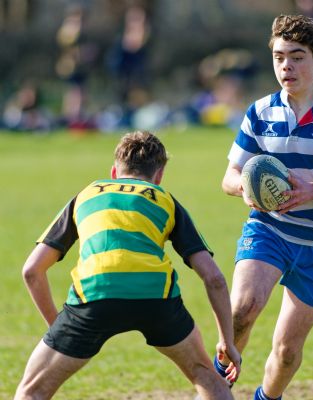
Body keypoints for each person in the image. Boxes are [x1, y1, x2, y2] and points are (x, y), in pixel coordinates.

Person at [14, 131, 241, 400]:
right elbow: (214, 278)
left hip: (94, 295)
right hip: (157, 298)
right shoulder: (164, 199)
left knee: (32, 391)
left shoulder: (86, 195)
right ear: (159, 176)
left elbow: (32, 271)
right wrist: (227, 342)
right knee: (206, 376)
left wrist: (58, 329)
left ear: (114, 172)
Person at [213, 14, 313, 400]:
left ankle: (267, 397)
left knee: (286, 352)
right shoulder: (259, 112)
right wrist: (245, 190)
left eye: (297, 57)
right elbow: (229, 176)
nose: (286, 66)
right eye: (280, 57)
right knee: (241, 311)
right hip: (270, 228)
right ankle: (215, 387)